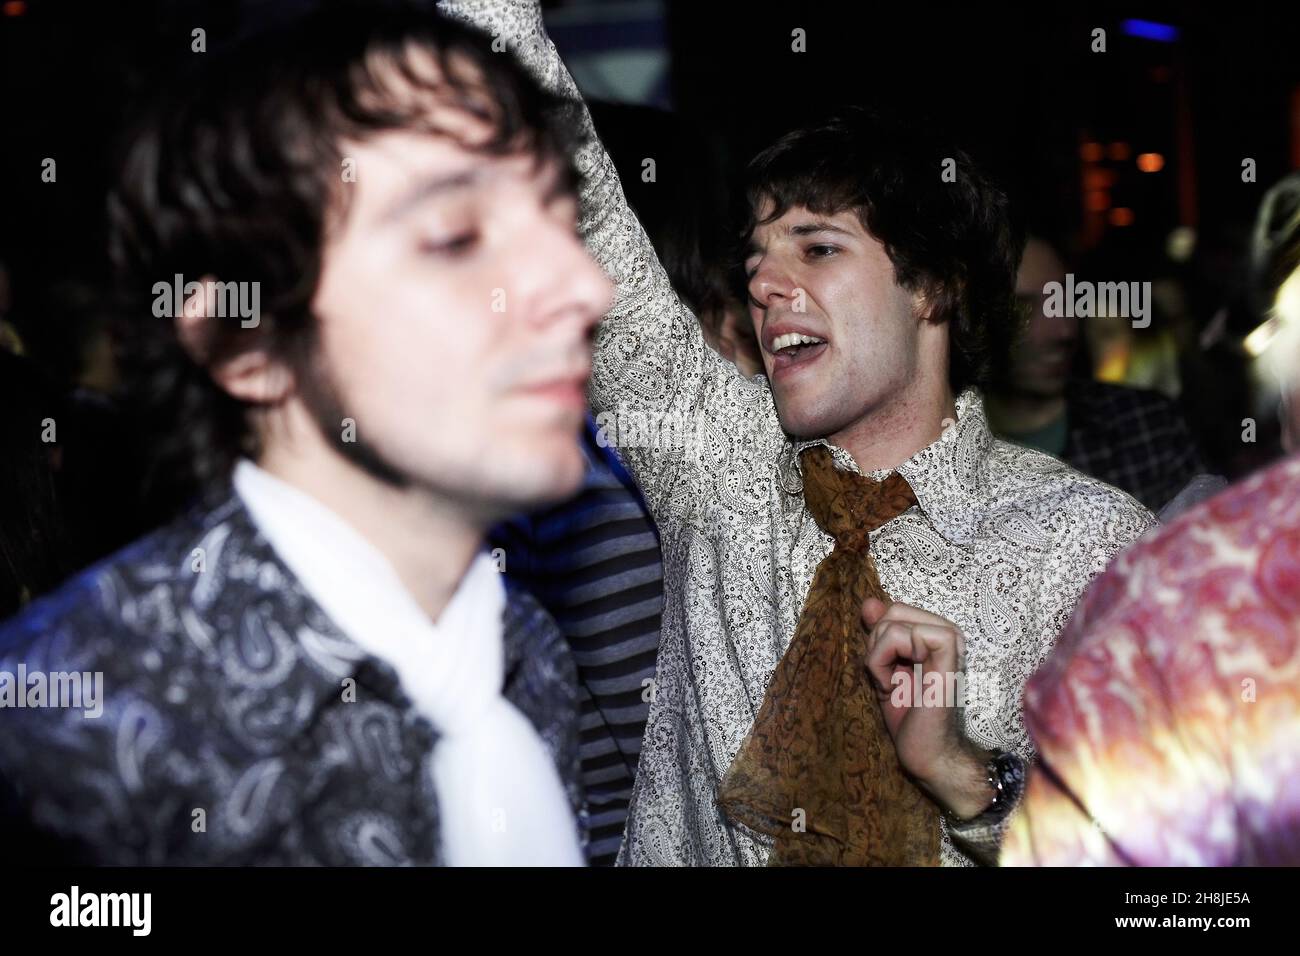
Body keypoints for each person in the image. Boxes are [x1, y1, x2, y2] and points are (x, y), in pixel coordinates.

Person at [445, 0, 1153, 866]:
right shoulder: (717, 457)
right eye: (756, 260)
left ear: (933, 288)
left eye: (816, 249)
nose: (766, 284)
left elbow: (1167, 858)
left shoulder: (1091, 545)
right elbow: (569, 184)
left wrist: (963, 774)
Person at [0, 1, 612, 865]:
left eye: (559, 222)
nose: (582, 287)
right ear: (242, 343)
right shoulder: (66, 726)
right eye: (455, 235)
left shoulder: (526, 659)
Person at [1001, 172, 1300, 866]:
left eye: (1062, 300)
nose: (1055, 327)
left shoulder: (1143, 432)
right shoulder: (930, 468)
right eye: (1023, 308)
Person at [986, 236, 1209, 513]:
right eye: (1024, 308)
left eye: (1064, 301)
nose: (1064, 330)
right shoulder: (939, 454)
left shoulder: (1147, 427)